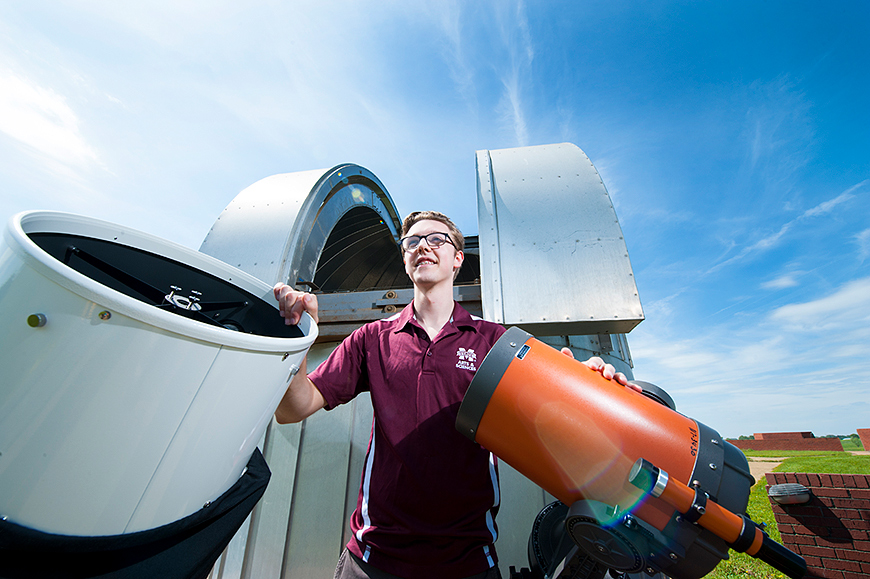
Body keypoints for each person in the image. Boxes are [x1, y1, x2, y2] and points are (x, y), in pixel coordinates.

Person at [273, 211, 628, 579]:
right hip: (373, 559)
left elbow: (562, 397)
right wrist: (301, 334)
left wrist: (595, 379)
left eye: (436, 239)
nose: (423, 246)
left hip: (467, 562)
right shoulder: (372, 339)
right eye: (413, 241)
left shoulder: (497, 343)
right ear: (405, 259)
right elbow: (294, 407)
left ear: (457, 258)